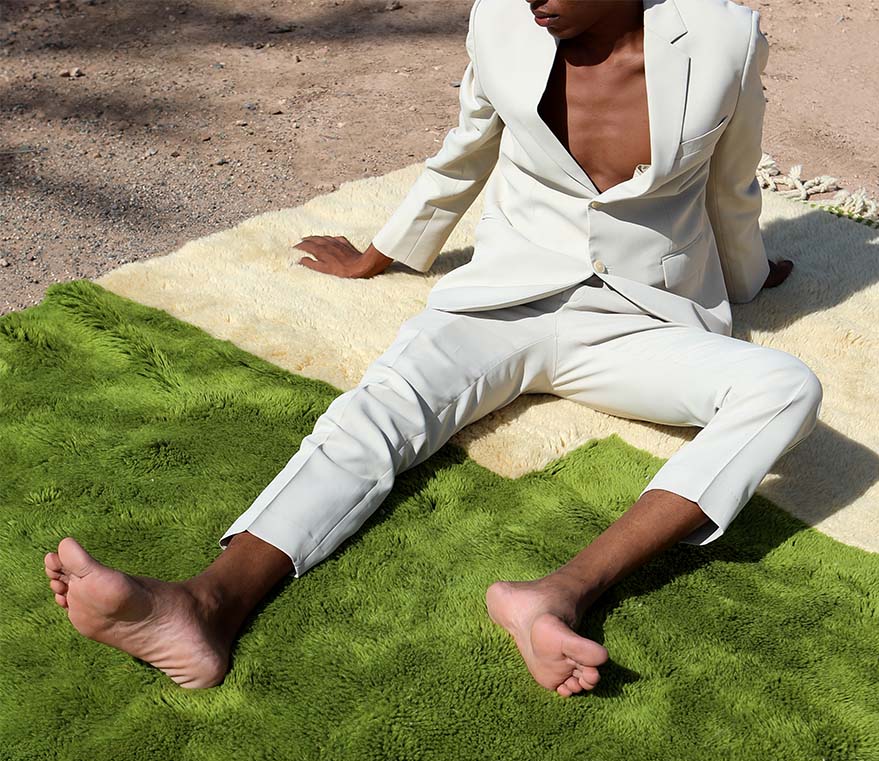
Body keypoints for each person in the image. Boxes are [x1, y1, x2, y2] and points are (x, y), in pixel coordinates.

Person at [44, 0, 820, 698]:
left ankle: (558, 592)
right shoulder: (502, 23)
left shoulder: (722, 38)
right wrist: (383, 252)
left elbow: (732, 180)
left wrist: (746, 278)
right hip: (503, 301)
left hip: (640, 319)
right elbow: (467, 147)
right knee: (380, 408)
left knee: (784, 386)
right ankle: (204, 605)